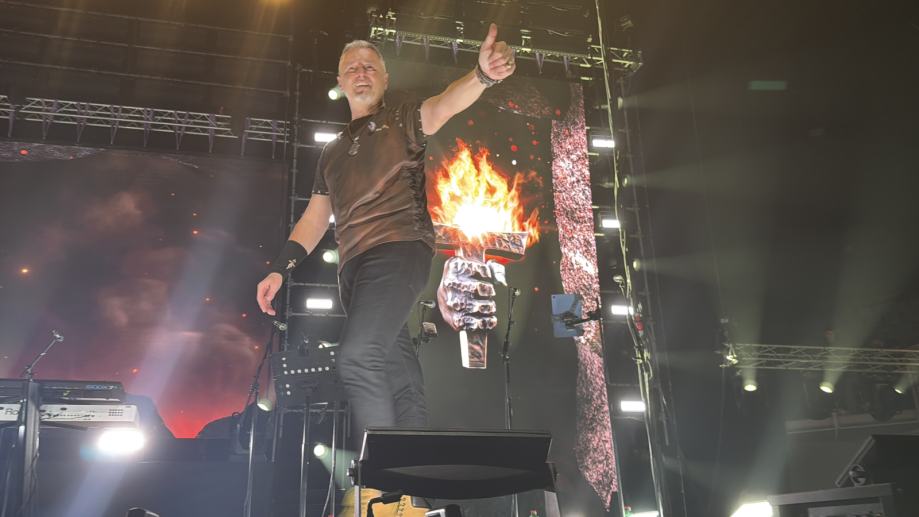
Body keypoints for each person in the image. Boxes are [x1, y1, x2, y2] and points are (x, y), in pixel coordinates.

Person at [256, 23, 515, 516]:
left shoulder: (402, 117)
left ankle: (382, 490)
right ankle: (415, 498)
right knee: (399, 378)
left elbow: (445, 104)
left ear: (384, 77)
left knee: (357, 357)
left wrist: (482, 76)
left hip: (398, 250)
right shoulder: (331, 152)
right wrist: (279, 269)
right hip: (354, 272)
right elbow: (315, 219)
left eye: (369, 66)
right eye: (351, 68)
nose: (361, 73)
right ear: (340, 82)